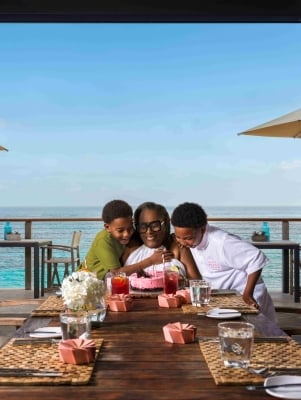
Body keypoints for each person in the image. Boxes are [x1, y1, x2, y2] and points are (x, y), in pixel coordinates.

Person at [170, 202, 276, 322]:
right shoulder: (193, 241)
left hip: (246, 296)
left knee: (253, 336)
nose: (182, 243)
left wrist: (248, 294)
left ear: (203, 229)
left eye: (187, 238)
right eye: (178, 237)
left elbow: (257, 257)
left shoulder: (222, 242)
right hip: (226, 298)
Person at [121, 201, 201, 282]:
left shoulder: (178, 248)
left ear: (165, 224)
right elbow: (114, 275)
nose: (149, 231)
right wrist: (150, 261)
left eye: (155, 225)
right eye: (143, 226)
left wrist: (183, 282)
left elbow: (196, 282)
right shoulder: (132, 248)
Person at [83, 199, 135, 279]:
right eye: (120, 230)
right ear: (107, 227)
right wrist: (151, 261)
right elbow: (117, 273)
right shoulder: (103, 240)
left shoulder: (131, 234)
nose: (127, 234)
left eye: (130, 228)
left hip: (108, 281)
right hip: (88, 282)